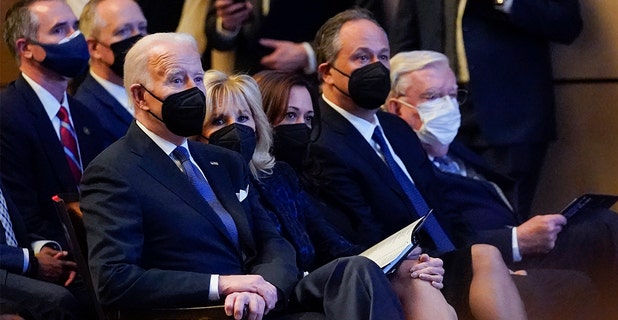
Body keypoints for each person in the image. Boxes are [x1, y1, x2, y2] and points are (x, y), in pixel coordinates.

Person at [80, 32, 406, 319]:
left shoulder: (222, 161)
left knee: (358, 271)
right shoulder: (114, 170)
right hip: (203, 312)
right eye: (178, 80)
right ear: (139, 96)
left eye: (197, 78)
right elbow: (114, 280)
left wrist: (264, 288)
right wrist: (222, 286)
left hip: (259, 303)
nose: (194, 91)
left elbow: (272, 241)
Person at [304, 8, 598, 320]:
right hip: (397, 268)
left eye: (384, 56)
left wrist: (496, 262)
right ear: (327, 72)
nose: (377, 68)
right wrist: (420, 261)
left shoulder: (396, 129)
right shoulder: (322, 142)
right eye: (362, 58)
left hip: (441, 257)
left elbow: (442, 209)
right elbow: (360, 233)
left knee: (486, 254)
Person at [385, 49, 618, 319]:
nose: (447, 106)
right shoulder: (403, 167)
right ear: (396, 108)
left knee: (600, 225)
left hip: (517, 241)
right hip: (488, 260)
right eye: (433, 97)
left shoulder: (453, 148)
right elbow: (443, 234)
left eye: (452, 95)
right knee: (602, 236)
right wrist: (516, 240)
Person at [199, 69, 458, 319]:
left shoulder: (279, 176)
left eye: (243, 118)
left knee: (413, 271)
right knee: (362, 271)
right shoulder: (200, 186)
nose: (236, 129)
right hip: (268, 291)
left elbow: (333, 245)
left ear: (257, 124)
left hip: (312, 282)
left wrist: (405, 256)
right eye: (219, 121)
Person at [390, 0, 583, 217]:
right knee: (444, 215)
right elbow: (404, 44)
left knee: (505, 218)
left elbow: (567, 24)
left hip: (512, 115)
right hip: (435, 111)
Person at [0, 0, 109, 251]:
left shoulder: (86, 116)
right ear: (26, 48)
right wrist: (47, 249)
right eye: (59, 30)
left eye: (75, 26)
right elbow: (19, 205)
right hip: (50, 259)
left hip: (99, 252)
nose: (75, 37)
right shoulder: (7, 115)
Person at [0, 180, 87, 320]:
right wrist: (31, 262)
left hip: (20, 262)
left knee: (84, 282)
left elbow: (10, 227)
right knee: (59, 301)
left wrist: (42, 248)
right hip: (5, 269)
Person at [205, 0, 353, 74]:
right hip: (250, 85)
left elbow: (362, 22)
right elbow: (214, 34)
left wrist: (308, 53)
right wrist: (228, 24)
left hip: (308, 90)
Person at [74, 0, 147, 145]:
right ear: (94, 48)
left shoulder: (155, 90)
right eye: (123, 31)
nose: (138, 38)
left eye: (142, 27)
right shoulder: (85, 112)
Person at [252, 70, 316, 175]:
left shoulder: (311, 173)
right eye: (290, 115)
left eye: (308, 118)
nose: (302, 124)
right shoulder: (245, 182)